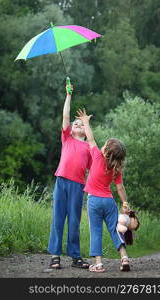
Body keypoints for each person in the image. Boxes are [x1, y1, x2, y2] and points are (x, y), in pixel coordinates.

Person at [76, 108, 131, 272]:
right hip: (109, 201)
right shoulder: (116, 169)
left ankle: (98, 264)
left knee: (96, 231)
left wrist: (85, 122)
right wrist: (125, 203)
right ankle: (124, 258)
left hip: (94, 201)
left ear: (106, 150)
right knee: (115, 230)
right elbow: (120, 188)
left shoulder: (97, 156)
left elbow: (90, 138)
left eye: (105, 144)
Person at [47, 83, 92, 269]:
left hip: (77, 186)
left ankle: (75, 256)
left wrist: (87, 123)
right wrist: (68, 95)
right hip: (62, 181)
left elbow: (92, 169)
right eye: (76, 123)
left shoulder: (89, 146)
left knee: (74, 220)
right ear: (71, 129)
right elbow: (66, 116)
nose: (78, 125)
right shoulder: (67, 138)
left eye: (82, 124)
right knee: (58, 218)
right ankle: (55, 255)